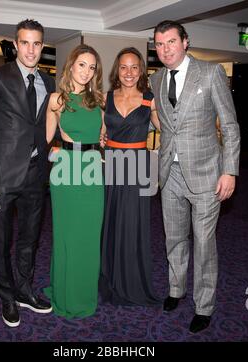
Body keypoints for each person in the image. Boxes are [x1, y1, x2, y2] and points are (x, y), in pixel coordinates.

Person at [150, 20, 240, 333]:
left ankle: (204, 306)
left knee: (204, 243)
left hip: (206, 174)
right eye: (159, 44)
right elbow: (163, 121)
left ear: (185, 42)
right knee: (173, 238)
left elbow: (229, 126)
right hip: (169, 173)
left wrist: (229, 170)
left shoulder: (211, 72)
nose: (165, 50)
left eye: (171, 42)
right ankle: (176, 289)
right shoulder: (156, 79)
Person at [0, 19, 55, 327]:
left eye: (36, 44)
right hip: (1, 175)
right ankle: (7, 296)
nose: (31, 49)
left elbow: (46, 124)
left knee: (30, 239)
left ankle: (24, 290)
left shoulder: (50, 81)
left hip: (36, 174)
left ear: (42, 46)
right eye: (25, 43)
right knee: (0, 239)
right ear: (16, 44)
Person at [44, 44, 104, 319]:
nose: (86, 71)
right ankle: (64, 292)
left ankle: (83, 293)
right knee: (67, 235)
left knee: (89, 237)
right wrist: (54, 152)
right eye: (82, 64)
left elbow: (104, 138)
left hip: (93, 173)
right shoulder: (57, 99)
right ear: (71, 65)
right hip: (66, 172)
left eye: (91, 67)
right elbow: (44, 139)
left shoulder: (99, 100)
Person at [100, 47, 160, 306]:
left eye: (134, 67)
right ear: (117, 70)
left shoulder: (150, 100)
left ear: (141, 71)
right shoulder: (106, 97)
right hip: (110, 166)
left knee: (133, 224)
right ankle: (108, 277)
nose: (129, 72)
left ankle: (132, 280)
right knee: (109, 221)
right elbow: (101, 131)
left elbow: (169, 132)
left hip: (137, 168)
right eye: (124, 67)